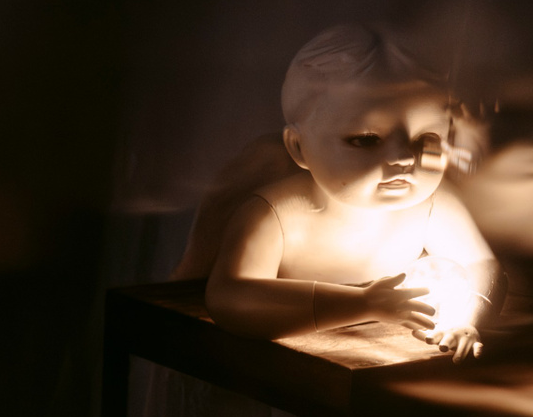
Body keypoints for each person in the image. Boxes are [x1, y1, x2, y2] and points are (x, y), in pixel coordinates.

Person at [206, 23, 496, 358]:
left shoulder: (433, 205)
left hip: (380, 357)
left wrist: (464, 320)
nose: (404, 158)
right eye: (366, 139)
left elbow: (481, 266)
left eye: (426, 139)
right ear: (298, 147)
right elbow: (230, 298)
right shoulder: (276, 214)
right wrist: (362, 304)